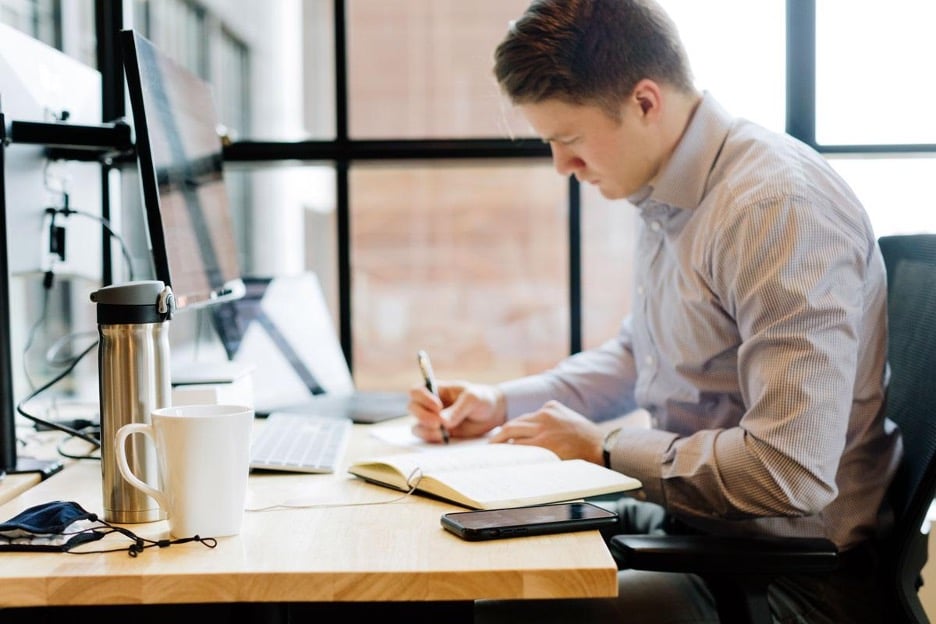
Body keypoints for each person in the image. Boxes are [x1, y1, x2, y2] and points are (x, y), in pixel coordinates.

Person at [407, 1, 903, 622]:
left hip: (785, 581)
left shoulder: (774, 208)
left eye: (569, 139)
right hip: (704, 531)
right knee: (465, 545)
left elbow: (788, 471)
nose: (562, 165)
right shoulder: (668, 189)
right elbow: (639, 352)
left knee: (499, 608)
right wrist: (502, 403)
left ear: (645, 102)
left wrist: (603, 448)